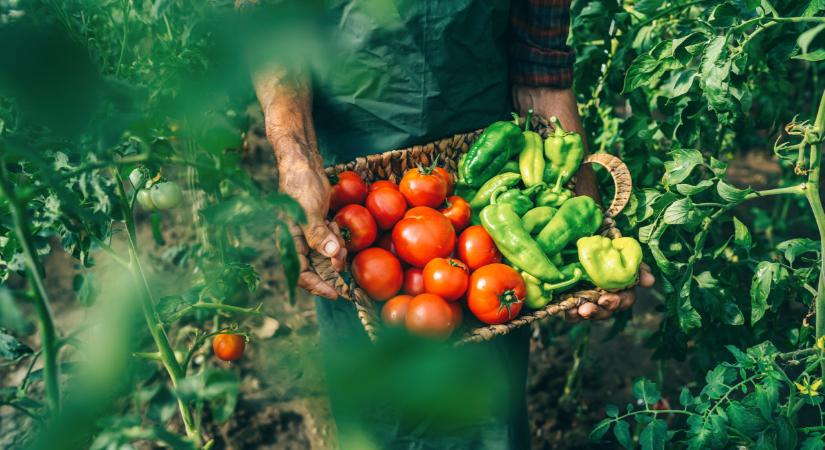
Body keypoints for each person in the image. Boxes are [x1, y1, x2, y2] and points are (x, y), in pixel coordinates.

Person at [250, 1, 655, 448]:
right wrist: (296, 160)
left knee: (484, 407)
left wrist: (586, 225)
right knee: (376, 388)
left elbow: (541, 68)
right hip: (353, 174)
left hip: (476, 172)